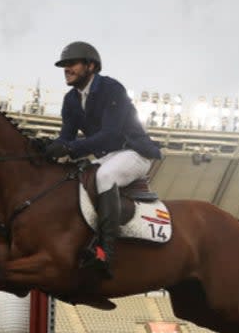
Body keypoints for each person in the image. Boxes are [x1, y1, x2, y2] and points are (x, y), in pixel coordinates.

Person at [45, 41, 162, 277]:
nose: (66, 69)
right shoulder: (70, 100)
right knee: (72, 179)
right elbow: (66, 138)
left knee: (105, 176)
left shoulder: (111, 88)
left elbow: (110, 134)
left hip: (134, 152)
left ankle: (106, 253)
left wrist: (68, 146)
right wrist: (47, 147)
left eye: (72, 64)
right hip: (107, 156)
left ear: (90, 66)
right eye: (64, 65)